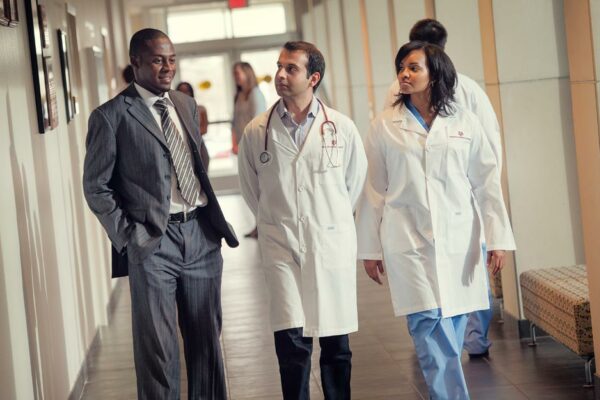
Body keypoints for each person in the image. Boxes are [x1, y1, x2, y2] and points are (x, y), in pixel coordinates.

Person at [83, 28, 239, 400]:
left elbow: (196, 161)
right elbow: (96, 187)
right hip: (153, 242)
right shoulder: (111, 117)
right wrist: (129, 236)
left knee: (207, 344)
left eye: (171, 59)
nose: (167, 67)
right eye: (157, 60)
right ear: (135, 62)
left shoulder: (184, 104)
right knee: (158, 349)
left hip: (200, 235)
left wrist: (207, 223)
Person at [356, 41, 515, 399]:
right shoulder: (384, 126)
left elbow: (486, 182)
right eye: (401, 68)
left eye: (413, 67)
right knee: (427, 325)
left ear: (435, 74)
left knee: (452, 329)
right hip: (407, 240)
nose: (404, 74)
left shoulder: (464, 121)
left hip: (460, 240)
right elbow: (373, 190)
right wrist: (370, 248)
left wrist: (498, 237)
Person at [238, 41, 367, 400]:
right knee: (291, 343)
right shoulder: (256, 132)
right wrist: (282, 220)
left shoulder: (340, 128)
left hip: (329, 243)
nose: (280, 74)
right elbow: (252, 191)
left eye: (290, 68)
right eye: (279, 66)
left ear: (313, 77)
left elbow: (353, 185)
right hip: (280, 243)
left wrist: (324, 219)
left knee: (335, 343)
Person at [383, 18, 503, 358]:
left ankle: (462, 342)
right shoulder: (402, 93)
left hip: (459, 206)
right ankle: (464, 343)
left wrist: (487, 201)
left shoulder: (461, 89)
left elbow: (485, 156)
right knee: (460, 281)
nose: (405, 73)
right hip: (421, 211)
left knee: (468, 280)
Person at [231, 62, 267, 238]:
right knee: (250, 186)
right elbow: (235, 121)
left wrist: (245, 144)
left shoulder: (255, 94)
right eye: (234, 74)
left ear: (247, 73)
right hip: (243, 147)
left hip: (256, 147)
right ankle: (257, 224)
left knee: (260, 186)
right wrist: (235, 143)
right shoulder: (239, 95)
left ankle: (263, 225)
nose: (235, 76)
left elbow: (257, 122)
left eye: (238, 73)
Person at [176, 81, 210, 171]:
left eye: (187, 91)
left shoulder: (201, 109)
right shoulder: (174, 111)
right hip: (182, 148)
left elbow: (204, 129)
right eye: (181, 91)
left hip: (199, 144)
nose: (184, 94)